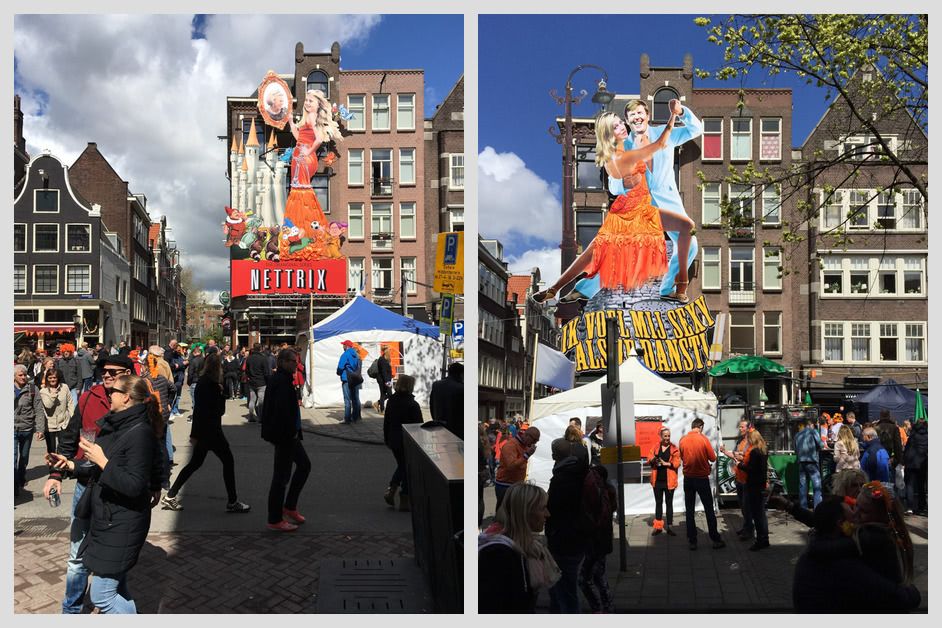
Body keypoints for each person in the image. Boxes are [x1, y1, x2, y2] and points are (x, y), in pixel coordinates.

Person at [533, 111, 693, 304]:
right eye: (616, 126)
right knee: (685, 226)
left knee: (593, 254)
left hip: (628, 210)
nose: (622, 127)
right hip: (636, 212)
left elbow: (622, 180)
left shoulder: (617, 154)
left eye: (620, 123)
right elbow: (658, 145)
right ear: (609, 134)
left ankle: (556, 288)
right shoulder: (624, 156)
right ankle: (681, 284)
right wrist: (673, 116)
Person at [45, 373, 165, 614]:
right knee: (117, 587)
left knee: (102, 594)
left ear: (127, 398)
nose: (108, 394)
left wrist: (103, 461)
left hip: (122, 521)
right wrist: (69, 465)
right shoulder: (115, 423)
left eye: (113, 392)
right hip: (108, 516)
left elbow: (133, 485)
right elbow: (96, 467)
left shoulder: (139, 433)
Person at [791, 495, 920, 612]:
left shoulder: (821, 544)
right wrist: (912, 592)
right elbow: (897, 597)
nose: (856, 515)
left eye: (860, 510)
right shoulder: (843, 562)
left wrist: (790, 507)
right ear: (842, 524)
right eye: (853, 510)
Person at [161, 351, 250, 514]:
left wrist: (194, 434)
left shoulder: (202, 382)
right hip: (212, 432)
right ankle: (232, 501)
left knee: (195, 464)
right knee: (227, 462)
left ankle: (171, 495)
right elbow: (219, 411)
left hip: (203, 431)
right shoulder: (213, 385)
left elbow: (198, 411)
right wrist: (222, 394)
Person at [282, 89, 343, 261]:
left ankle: (301, 229)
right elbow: (300, 136)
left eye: (311, 101)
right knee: (300, 190)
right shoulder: (307, 119)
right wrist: (292, 124)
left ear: (318, 104)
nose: (307, 103)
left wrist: (308, 151)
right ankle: (305, 230)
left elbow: (317, 138)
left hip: (303, 158)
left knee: (300, 192)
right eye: (306, 100)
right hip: (300, 155)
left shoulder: (312, 117)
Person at [478, 483, 558, 613]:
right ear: (526, 512)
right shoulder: (498, 555)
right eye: (542, 508)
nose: (547, 514)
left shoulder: (524, 545)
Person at [261, 349, 311, 531]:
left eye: (296, 361)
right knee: (281, 477)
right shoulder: (281, 381)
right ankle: (274, 519)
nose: (295, 364)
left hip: (290, 435)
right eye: (292, 361)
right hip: (285, 436)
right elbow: (281, 412)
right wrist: (289, 432)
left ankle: (289, 506)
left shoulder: (284, 380)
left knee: (304, 466)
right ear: (282, 362)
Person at [546, 433, 590, 613]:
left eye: (553, 453)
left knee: (565, 587)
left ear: (558, 456)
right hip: (577, 536)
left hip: (565, 539)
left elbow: (554, 509)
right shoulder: (579, 471)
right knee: (562, 587)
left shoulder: (563, 478)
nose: (551, 456)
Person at [678, 418, 725, 550]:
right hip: (701, 479)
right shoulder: (703, 439)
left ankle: (692, 541)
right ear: (701, 427)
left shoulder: (683, 440)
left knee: (689, 510)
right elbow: (713, 458)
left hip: (688, 479)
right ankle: (715, 539)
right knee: (709, 509)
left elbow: (682, 457)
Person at [382, 374, 423, 512]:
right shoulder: (413, 404)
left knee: (402, 465)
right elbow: (418, 425)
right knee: (406, 467)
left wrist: (386, 438)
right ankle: (404, 497)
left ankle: (391, 490)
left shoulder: (392, 401)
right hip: (408, 440)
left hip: (394, 439)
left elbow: (386, 421)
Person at [579, 464, 616, 613]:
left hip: (595, 540)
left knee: (586, 579)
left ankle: (600, 607)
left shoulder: (596, 494)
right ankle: (606, 607)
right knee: (598, 576)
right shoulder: (609, 491)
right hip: (603, 539)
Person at [142, 347, 175, 477]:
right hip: (164, 411)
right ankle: (166, 472)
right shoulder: (163, 370)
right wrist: (169, 402)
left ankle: (159, 474)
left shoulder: (146, 379)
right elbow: (172, 387)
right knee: (164, 438)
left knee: (157, 443)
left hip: (154, 413)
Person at [720, 418, 754, 540]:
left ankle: (749, 531)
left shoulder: (751, 442)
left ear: (748, 428)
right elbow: (736, 454)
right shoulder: (740, 441)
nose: (740, 429)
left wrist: (737, 456)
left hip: (746, 479)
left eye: (742, 427)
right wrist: (725, 452)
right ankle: (746, 527)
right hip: (739, 478)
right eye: (739, 427)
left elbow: (743, 457)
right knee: (743, 506)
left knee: (747, 507)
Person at [494, 427, 540, 512]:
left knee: (512, 512)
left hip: (515, 484)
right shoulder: (511, 445)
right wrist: (526, 455)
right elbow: (510, 466)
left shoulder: (524, 445)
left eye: (536, 441)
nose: (534, 443)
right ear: (527, 436)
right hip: (505, 484)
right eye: (534, 440)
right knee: (503, 512)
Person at [737, 429, 770, 551]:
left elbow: (751, 469)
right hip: (761, 484)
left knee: (757, 514)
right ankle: (764, 538)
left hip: (753, 485)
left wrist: (740, 465)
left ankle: (761, 539)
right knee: (762, 513)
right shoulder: (764, 450)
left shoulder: (755, 452)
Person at [14, 365, 43, 496]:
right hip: (12, 428)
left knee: (24, 457)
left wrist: (40, 428)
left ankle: (21, 475)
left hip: (27, 428)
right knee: (12, 458)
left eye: (25, 375)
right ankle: (13, 485)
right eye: (20, 375)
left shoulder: (32, 388)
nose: (23, 377)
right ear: (14, 376)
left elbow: (38, 409)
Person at [648, 426, 680, 536]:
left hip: (669, 481)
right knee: (658, 503)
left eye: (669, 436)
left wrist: (668, 464)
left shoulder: (674, 448)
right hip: (657, 480)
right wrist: (654, 460)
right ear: (661, 436)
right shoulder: (656, 447)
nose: (667, 438)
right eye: (665, 436)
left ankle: (670, 527)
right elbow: (649, 457)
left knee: (669, 503)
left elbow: (677, 463)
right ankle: (658, 527)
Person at [37, 368, 75, 455]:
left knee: (63, 448)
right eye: (50, 378)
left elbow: (70, 403)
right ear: (47, 378)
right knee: (51, 450)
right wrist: (54, 393)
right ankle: (52, 467)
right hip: (50, 425)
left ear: (58, 378)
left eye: (54, 377)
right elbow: (48, 405)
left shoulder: (64, 387)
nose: (52, 380)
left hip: (63, 423)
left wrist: (72, 418)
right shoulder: (43, 391)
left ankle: (62, 467)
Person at [794, 418, 825, 509]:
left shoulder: (797, 435)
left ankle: (803, 508)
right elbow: (821, 445)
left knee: (802, 485)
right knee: (817, 485)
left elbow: (795, 449)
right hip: (811, 461)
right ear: (811, 424)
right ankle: (818, 507)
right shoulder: (813, 432)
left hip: (801, 462)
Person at [429, 362, 464, 439]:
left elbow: (431, 405)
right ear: (461, 374)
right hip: (457, 431)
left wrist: (435, 419)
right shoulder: (462, 388)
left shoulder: (436, 385)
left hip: (439, 427)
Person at [903, 417, 927, 516]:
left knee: (910, 485)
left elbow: (907, 448)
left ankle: (909, 507)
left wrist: (904, 460)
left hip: (911, 463)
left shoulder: (913, 435)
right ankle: (922, 506)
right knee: (921, 485)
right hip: (923, 463)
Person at [336, 340, 363, 424]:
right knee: (355, 398)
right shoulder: (357, 355)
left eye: (343, 345)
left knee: (347, 400)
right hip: (355, 378)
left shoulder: (345, 354)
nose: (342, 346)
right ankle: (356, 417)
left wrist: (339, 373)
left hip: (346, 378)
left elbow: (340, 367)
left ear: (346, 346)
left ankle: (347, 419)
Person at [245, 345, 269, 423]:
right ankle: (261, 418)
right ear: (260, 349)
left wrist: (249, 377)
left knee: (252, 400)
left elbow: (246, 370)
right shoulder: (263, 358)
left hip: (252, 382)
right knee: (261, 401)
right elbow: (266, 372)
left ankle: (251, 416)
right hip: (261, 382)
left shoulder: (249, 358)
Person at [185, 345, 204, 423]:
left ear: (195, 353)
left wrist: (189, 382)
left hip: (195, 382)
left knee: (195, 401)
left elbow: (190, 373)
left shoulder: (193, 361)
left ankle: (196, 418)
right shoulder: (204, 360)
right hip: (202, 382)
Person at [371, 346, 393, 412]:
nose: (390, 352)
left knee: (384, 394)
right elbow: (383, 372)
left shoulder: (386, 359)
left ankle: (378, 404)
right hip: (383, 380)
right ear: (386, 351)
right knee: (388, 394)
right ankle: (382, 409)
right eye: (389, 351)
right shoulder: (382, 359)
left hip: (386, 379)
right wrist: (387, 382)